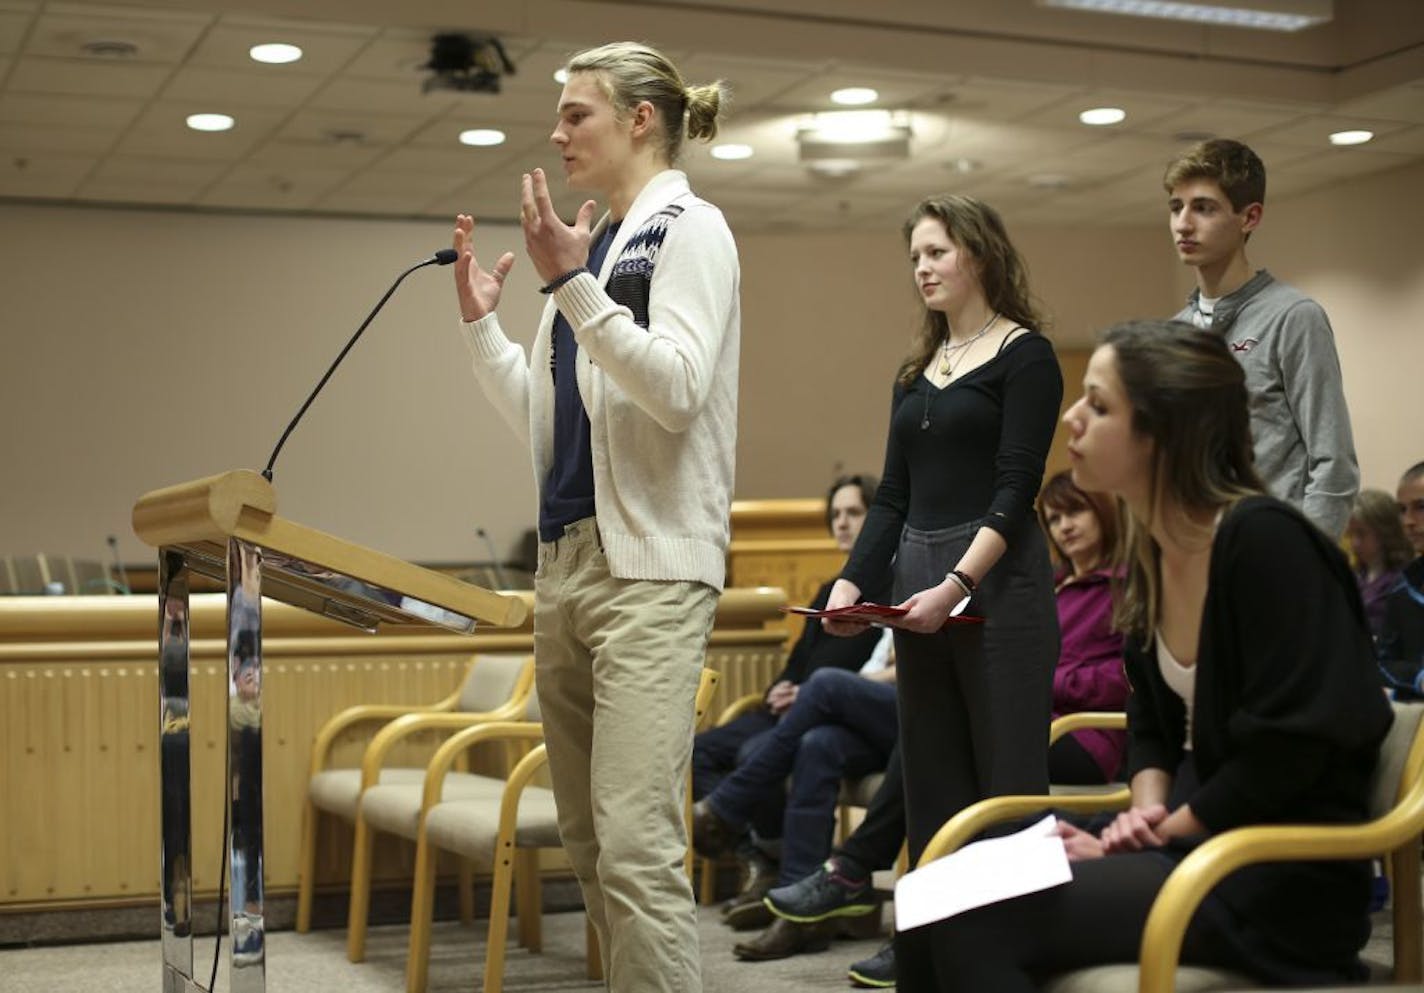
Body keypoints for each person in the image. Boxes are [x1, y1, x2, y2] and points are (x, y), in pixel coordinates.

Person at [902, 319, 1392, 992]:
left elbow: (1293, 750)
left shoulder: (1266, 543)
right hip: (1193, 843)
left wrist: (1152, 831)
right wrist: (1144, 810)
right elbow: (1152, 725)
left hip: (1272, 875)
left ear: (1162, 435)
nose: (1071, 417)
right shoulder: (1156, 552)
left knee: (969, 919)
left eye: (1099, 405)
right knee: (927, 892)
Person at [448, 41, 739, 993]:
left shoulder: (690, 228)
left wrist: (572, 287)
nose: (558, 130)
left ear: (641, 119)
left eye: (578, 113)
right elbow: (554, 411)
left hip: (649, 572)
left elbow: (679, 390)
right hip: (567, 564)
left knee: (635, 842)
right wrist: (485, 325)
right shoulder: (597, 240)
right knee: (587, 839)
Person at [823, 194, 1063, 983]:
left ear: (980, 255)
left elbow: (1016, 485)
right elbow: (892, 497)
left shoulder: (1026, 355)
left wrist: (960, 583)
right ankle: (930, 947)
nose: (922, 268)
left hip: (999, 589)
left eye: (937, 252)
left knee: (1006, 782)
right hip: (917, 582)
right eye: (916, 256)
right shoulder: (914, 374)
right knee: (932, 780)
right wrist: (854, 581)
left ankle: (1011, 953)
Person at [764, 470, 1127, 988]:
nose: (1064, 526)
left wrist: (1039, 675)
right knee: (904, 738)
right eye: (1055, 517)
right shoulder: (1053, 583)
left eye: (1077, 512)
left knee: (916, 728)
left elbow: (1124, 678)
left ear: (1106, 514)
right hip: (1023, 716)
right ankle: (912, 925)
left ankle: (856, 874)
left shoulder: (1123, 586)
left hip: (1081, 739)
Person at [692, 474, 888, 927]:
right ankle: (760, 861)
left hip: (838, 714)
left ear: (876, 519)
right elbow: (800, 661)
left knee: (756, 751)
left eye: (853, 513)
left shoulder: (890, 582)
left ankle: (773, 864)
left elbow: (860, 675)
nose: (841, 523)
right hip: (792, 708)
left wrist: (806, 691)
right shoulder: (830, 589)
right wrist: (777, 689)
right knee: (699, 751)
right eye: (835, 515)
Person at [1163, 138, 1358, 538]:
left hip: (1273, 550)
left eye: (1203, 208)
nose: (1183, 223)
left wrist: (1306, 562)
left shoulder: (1293, 317)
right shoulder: (1174, 333)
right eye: (1176, 207)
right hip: (1199, 554)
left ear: (1249, 218)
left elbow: (1333, 464)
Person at [1378, 463, 1424, 695]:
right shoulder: (1402, 587)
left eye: (1421, 507)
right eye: (1402, 510)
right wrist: (1418, 677)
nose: (1408, 521)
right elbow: (1382, 663)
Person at [1344, 489, 1414, 638]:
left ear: (1384, 532)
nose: (1354, 543)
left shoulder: (1404, 580)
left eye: (1361, 534)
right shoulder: (1354, 576)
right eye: (1350, 534)